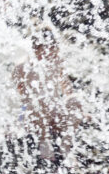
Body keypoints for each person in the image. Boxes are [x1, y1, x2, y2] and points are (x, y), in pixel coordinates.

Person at [12, 24, 86, 163]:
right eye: (45, 48)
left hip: (53, 113)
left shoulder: (57, 62)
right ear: (35, 48)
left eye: (53, 47)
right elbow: (18, 96)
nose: (50, 52)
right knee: (37, 101)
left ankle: (66, 145)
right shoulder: (22, 66)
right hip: (32, 116)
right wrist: (18, 122)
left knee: (75, 100)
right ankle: (44, 145)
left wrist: (79, 111)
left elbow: (67, 89)